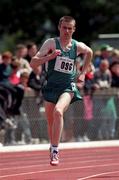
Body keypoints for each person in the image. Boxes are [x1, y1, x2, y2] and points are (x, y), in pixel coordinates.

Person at [30, 16, 93, 166]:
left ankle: (55, 150)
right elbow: (33, 63)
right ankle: (53, 145)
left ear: (74, 29)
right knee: (51, 123)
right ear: (59, 28)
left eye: (70, 28)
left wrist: (83, 72)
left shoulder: (77, 46)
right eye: (64, 28)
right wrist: (49, 56)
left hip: (68, 86)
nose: (67, 31)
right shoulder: (51, 43)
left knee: (58, 111)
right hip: (51, 86)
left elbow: (89, 52)